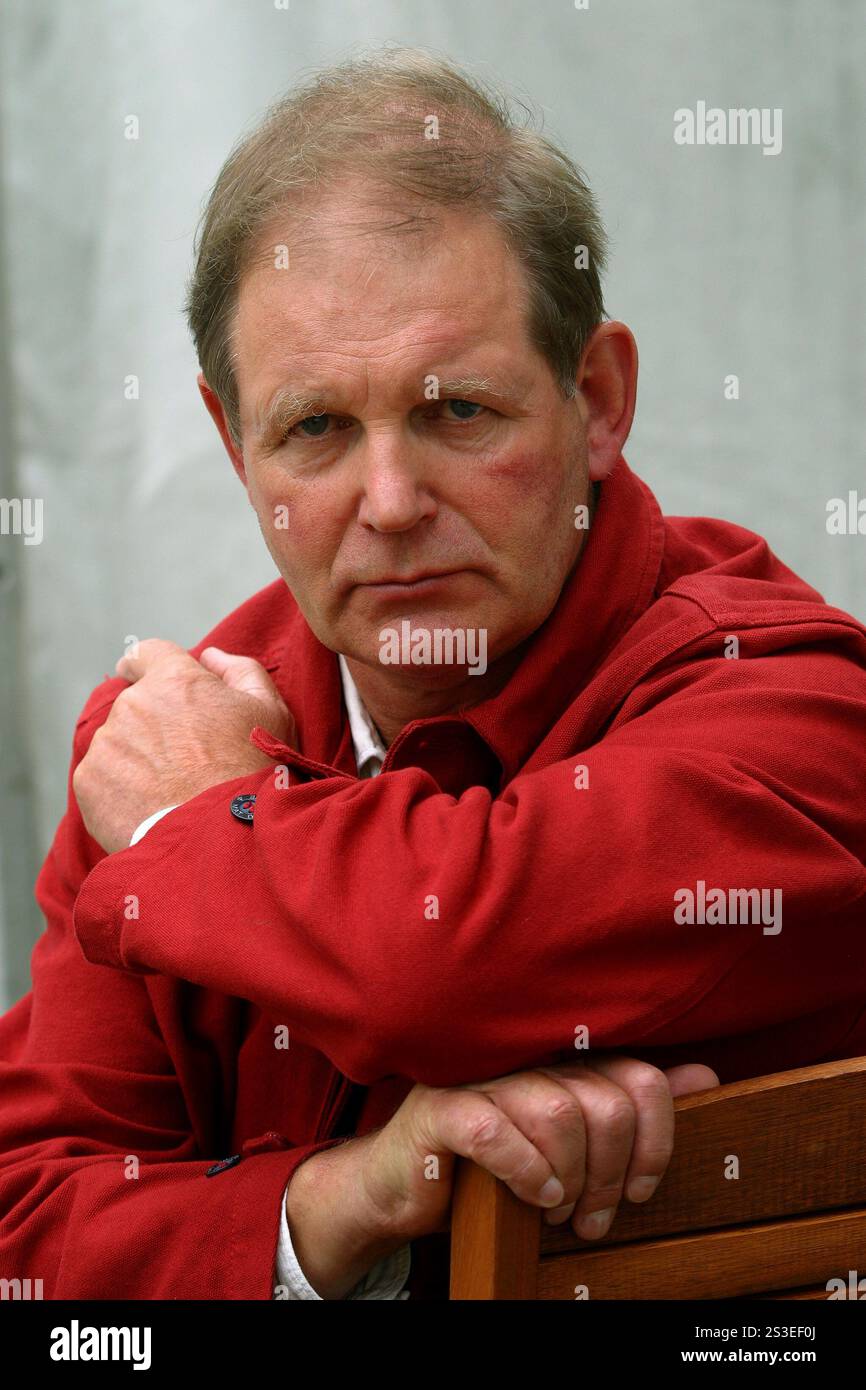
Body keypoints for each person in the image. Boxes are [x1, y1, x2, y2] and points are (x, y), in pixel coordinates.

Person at [1, 47, 864, 1302]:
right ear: (233, 445)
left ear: (597, 397)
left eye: (457, 411)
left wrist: (204, 830)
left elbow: (434, 960)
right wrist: (338, 1201)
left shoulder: (793, 700)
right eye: (317, 430)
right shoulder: (163, 742)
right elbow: (29, 1235)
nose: (390, 503)